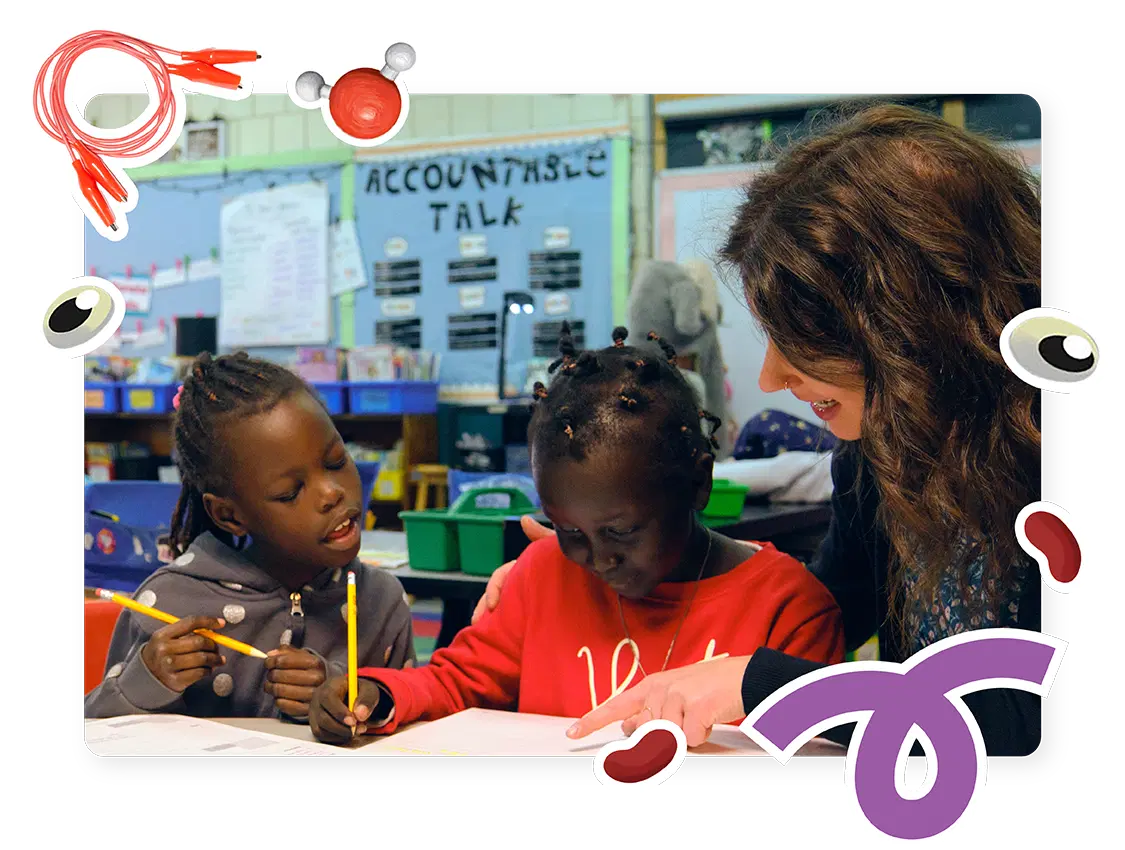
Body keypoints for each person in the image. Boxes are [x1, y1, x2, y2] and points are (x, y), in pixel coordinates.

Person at [473, 104, 1043, 756]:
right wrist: (572, 576)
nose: (769, 376)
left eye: (795, 339)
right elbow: (818, 608)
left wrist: (761, 683)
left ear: (909, 325)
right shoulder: (876, 461)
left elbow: (1017, 724)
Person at [307, 325, 844, 743]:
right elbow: (455, 682)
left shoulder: (789, 607)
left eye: (621, 531)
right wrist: (377, 695)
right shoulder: (542, 575)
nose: (597, 558)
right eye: (568, 531)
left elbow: (812, 761)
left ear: (698, 483)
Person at [84, 352, 415, 720]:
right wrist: (146, 680)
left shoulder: (381, 601)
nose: (331, 493)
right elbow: (95, 735)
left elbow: (412, 720)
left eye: (336, 461)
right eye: (290, 492)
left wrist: (348, 694)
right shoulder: (167, 603)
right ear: (229, 515)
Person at [628, 258, 735, 455]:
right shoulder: (685, 284)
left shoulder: (652, 273)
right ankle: (716, 456)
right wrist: (706, 323)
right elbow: (687, 324)